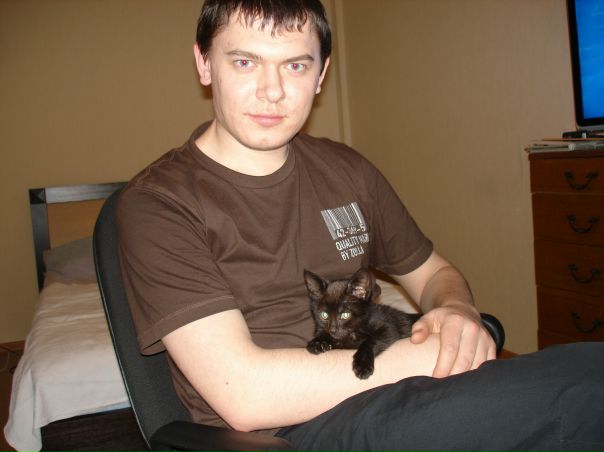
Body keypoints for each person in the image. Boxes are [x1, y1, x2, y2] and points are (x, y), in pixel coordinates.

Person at [116, 1, 604, 451]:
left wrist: (456, 310)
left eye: (295, 65)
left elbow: (435, 274)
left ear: (321, 74)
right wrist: (439, 355)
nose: (272, 90)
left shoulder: (346, 169)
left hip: (400, 388)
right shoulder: (159, 202)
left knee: (586, 370)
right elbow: (245, 395)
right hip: (291, 432)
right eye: (245, 62)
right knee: (583, 393)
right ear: (204, 64)